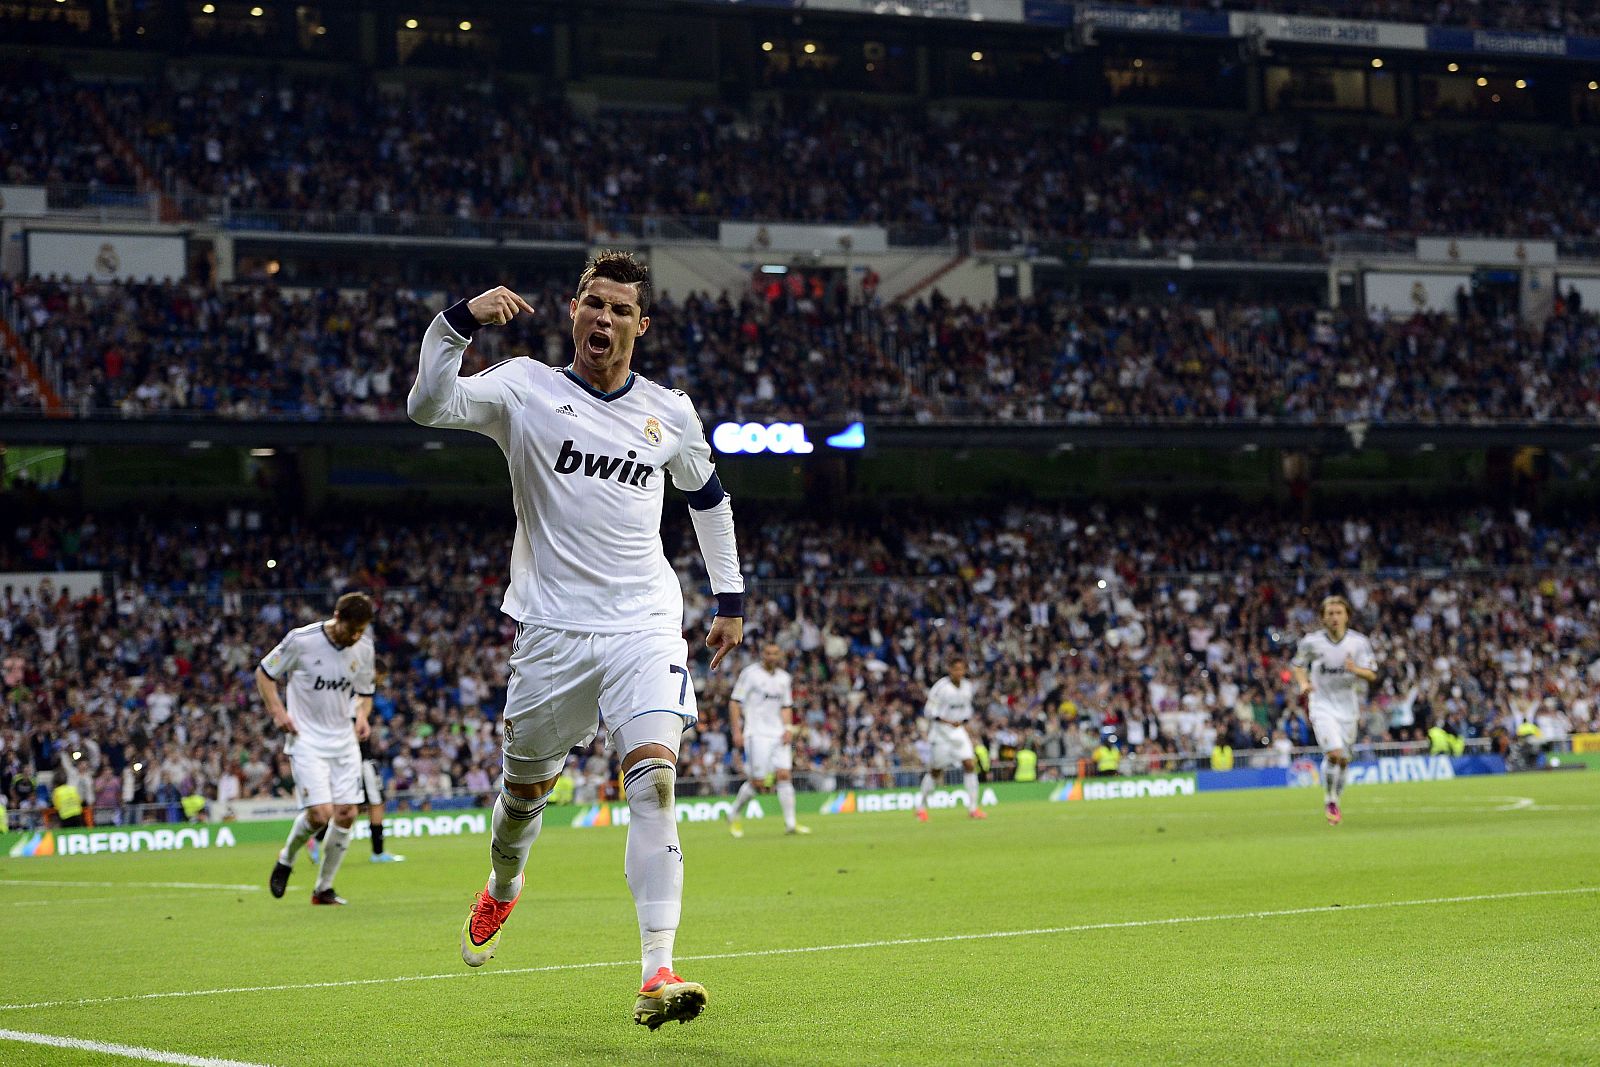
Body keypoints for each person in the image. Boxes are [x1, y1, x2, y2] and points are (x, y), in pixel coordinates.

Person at [408, 250, 745, 1030]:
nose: (606, 319)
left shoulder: (670, 412)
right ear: (572, 311)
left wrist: (729, 596)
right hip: (553, 634)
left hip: (643, 625)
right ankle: (503, 882)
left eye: (622, 309)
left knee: (656, 782)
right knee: (522, 800)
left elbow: (710, 498)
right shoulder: (524, 387)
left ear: (641, 324)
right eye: (595, 303)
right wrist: (457, 322)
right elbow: (428, 405)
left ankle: (657, 968)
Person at [256, 591, 376, 905]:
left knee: (347, 814)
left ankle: (323, 888)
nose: (356, 636)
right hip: (307, 740)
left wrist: (362, 715)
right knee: (320, 815)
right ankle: (287, 856)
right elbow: (265, 673)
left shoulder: (363, 648)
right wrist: (279, 713)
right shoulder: (302, 641)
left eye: (361, 630)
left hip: (344, 741)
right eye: (352, 629)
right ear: (337, 617)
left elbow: (365, 691)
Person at [1291, 595, 1378, 826]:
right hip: (1321, 705)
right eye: (1330, 613)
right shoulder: (1312, 642)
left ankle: (1336, 798)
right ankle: (1329, 799)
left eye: (1339, 612)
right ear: (1322, 618)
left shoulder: (1359, 643)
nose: (1334, 617)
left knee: (1344, 761)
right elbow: (1297, 665)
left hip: (1348, 707)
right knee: (1334, 753)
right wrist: (1303, 683)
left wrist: (1355, 669)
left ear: (1347, 615)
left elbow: (1371, 674)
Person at [725, 641, 809, 837]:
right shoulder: (750, 674)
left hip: (778, 733)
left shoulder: (784, 678)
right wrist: (737, 731)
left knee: (784, 775)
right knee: (759, 783)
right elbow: (735, 702)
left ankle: (791, 823)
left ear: (780, 655)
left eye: (776, 653)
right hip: (756, 733)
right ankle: (733, 812)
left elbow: (786, 706)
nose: (772, 657)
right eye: (769, 653)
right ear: (762, 654)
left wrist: (788, 728)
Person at [914, 655, 986, 821]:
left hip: (958, 731)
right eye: (956, 669)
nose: (959, 672)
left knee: (969, 764)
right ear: (950, 670)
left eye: (962, 669)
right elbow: (929, 711)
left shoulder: (967, 687)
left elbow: (966, 711)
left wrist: (965, 725)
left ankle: (973, 808)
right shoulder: (941, 687)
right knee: (936, 771)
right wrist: (948, 721)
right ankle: (921, 807)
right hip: (941, 732)